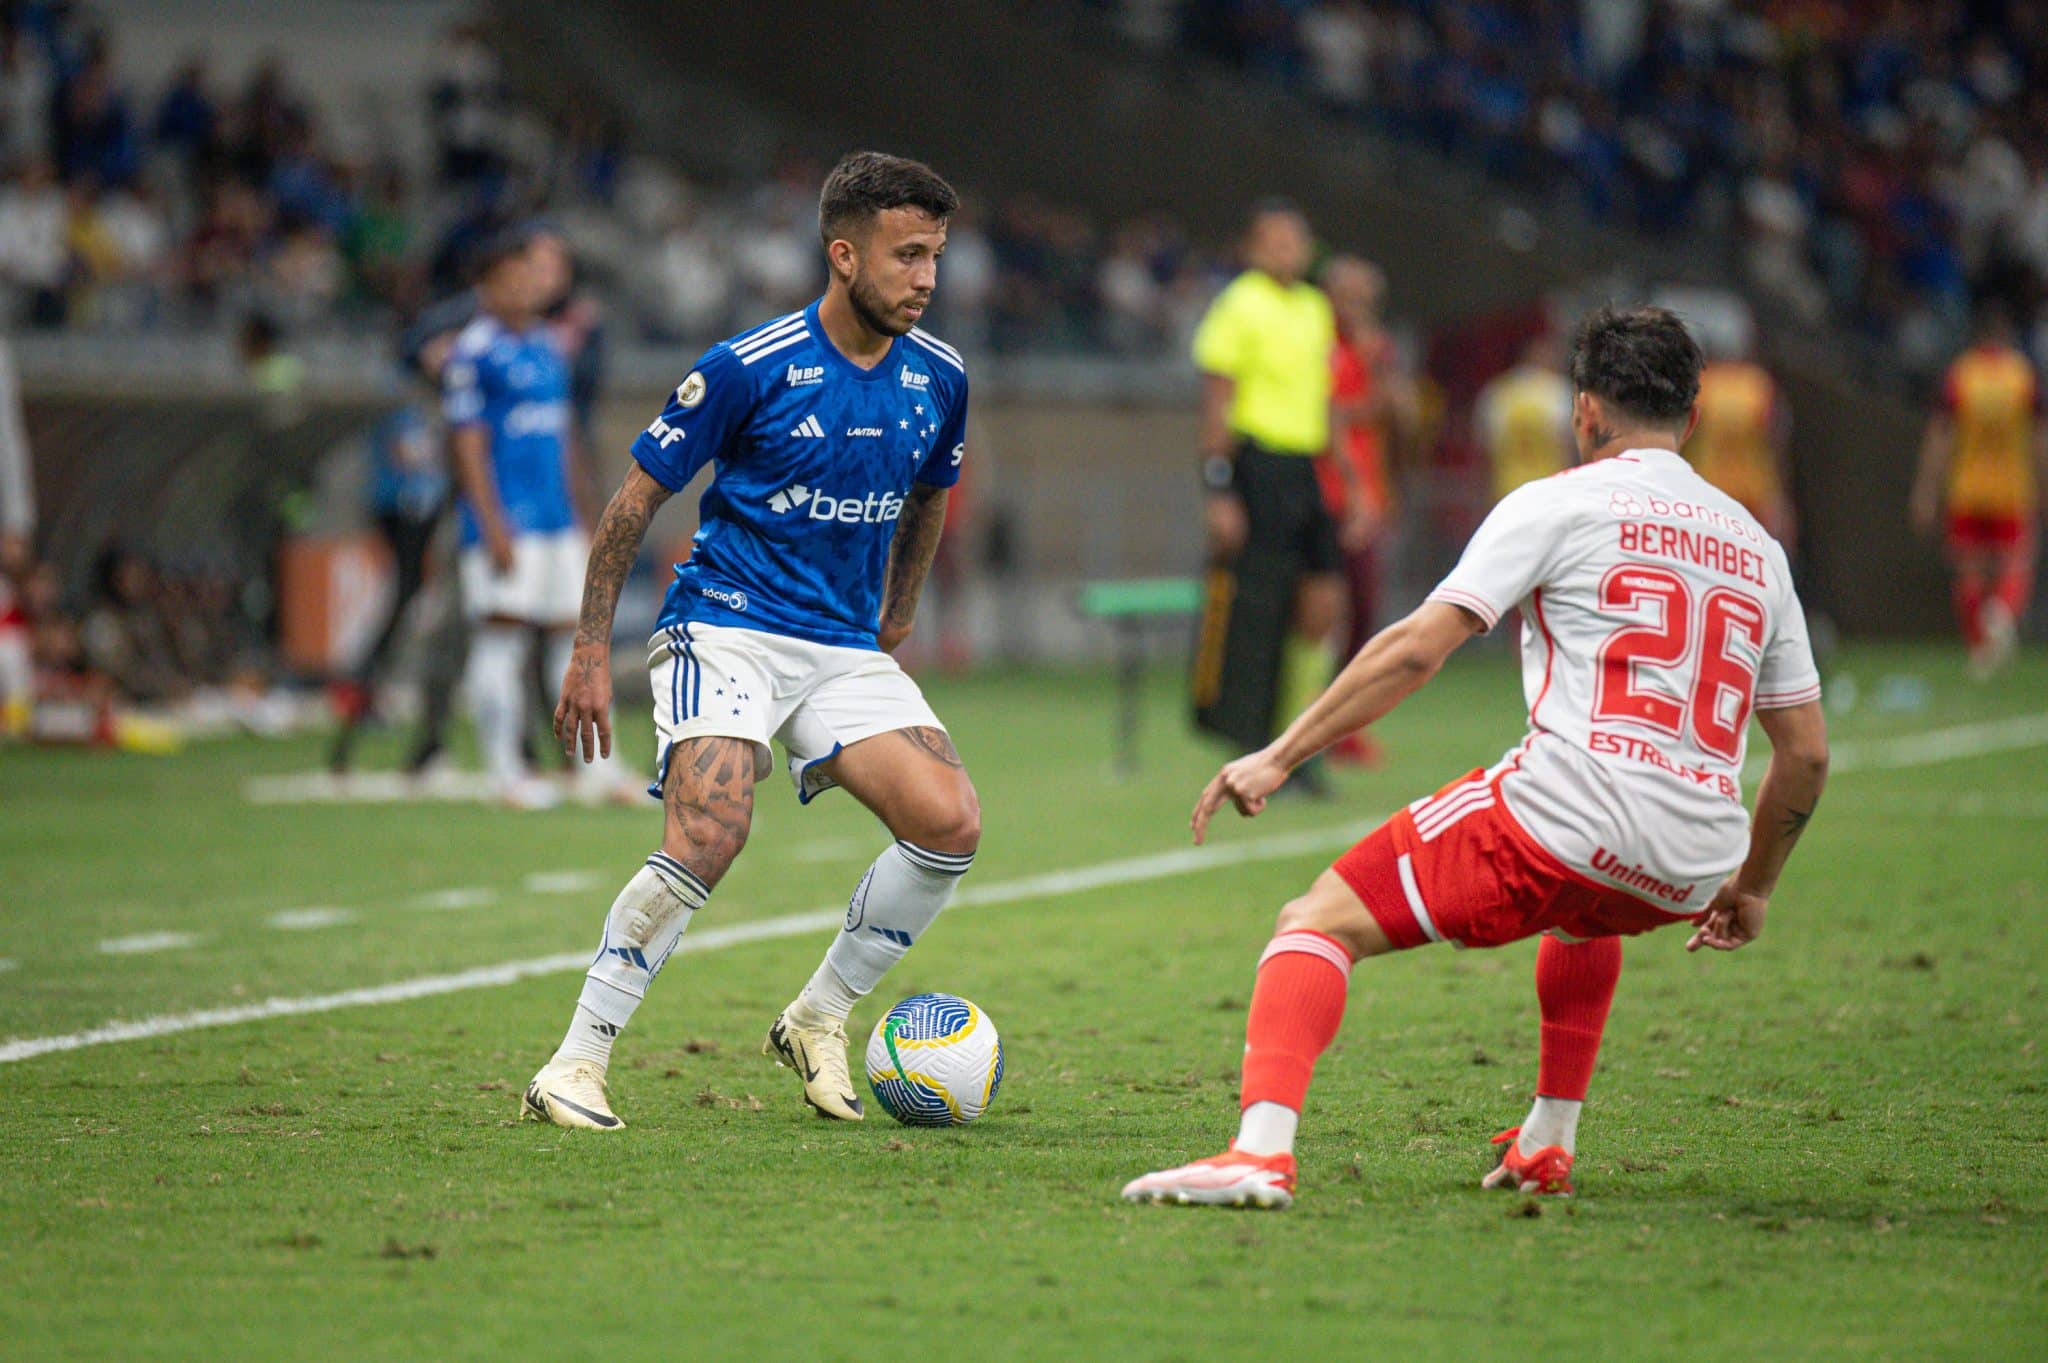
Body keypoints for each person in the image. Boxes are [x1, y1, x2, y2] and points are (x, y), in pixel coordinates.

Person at [1123, 307, 1829, 1209]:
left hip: (1566, 814)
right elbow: (1803, 755)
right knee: (1587, 915)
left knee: (1318, 917)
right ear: (1692, 419)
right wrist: (1755, 887)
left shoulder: (1557, 501)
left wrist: (1281, 752)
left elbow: (1420, 648)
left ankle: (1259, 1152)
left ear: (1583, 413)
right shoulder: (1757, 548)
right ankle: (1548, 1141)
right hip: (1693, 861)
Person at [525, 151, 979, 1131]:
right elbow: (635, 499)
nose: (926, 278)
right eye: (906, 256)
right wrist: (591, 649)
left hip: (841, 645)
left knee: (948, 823)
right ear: (843, 253)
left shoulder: (939, 377)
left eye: (935, 256)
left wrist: (896, 612)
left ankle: (817, 1014)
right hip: (724, 627)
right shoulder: (749, 366)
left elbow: (930, 494)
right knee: (711, 828)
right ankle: (575, 1061)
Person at [442, 225, 628, 807]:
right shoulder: (472, 353)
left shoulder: (549, 346)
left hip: (557, 521)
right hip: (507, 525)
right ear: (487, 285)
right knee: (500, 639)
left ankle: (596, 770)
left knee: (573, 643)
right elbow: (467, 445)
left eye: (531, 274)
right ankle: (505, 772)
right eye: (512, 275)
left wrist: (586, 512)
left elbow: (565, 436)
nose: (526, 285)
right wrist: (491, 524)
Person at [1189, 202, 1365, 791]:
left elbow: (1327, 405)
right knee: (1260, 610)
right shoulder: (1240, 303)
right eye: (1276, 240)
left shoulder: (1316, 309)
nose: (1288, 250)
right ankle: (1261, 750)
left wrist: (1353, 480)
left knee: (1322, 604)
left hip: (1305, 467)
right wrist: (1219, 487)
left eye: (1297, 240)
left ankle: (1301, 737)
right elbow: (1218, 398)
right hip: (1256, 463)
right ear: (1254, 247)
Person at [1910, 306, 2045, 678]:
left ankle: (1980, 651)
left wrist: (1926, 491)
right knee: (2017, 562)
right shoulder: (2022, 376)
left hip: (1967, 489)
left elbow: (1939, 435)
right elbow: (2039, 438)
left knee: (1969, 572)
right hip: (2012, 489)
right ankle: (2001, 610)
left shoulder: (1962, 375)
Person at [327, 389, 448, 773]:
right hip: (410, 518)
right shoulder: (408, 414)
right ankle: (361, 719)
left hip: (414, 521)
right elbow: (406, 459)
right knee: (405, 616)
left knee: (403, 614)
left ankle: (364, 727)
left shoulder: (411, 410)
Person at [1317, 255, 1403, 765]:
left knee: (1362, 616)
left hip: (1366, 493)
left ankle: (1341, 728)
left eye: (1367, 298)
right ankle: (1314, 726)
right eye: (1351, 296)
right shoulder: (1321, 347)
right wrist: (1355, 497)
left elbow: (1391, 414)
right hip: (1331, 495)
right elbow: (1330, 415)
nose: (1360, 307)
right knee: (1328, 616)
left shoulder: (1371, 350)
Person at [1688, 346, 1794, 546]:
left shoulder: (1705, 382)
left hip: (1710, 484)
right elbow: (1777, 439)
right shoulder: (1758, 383)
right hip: (1753, 488)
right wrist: (1779, 498)